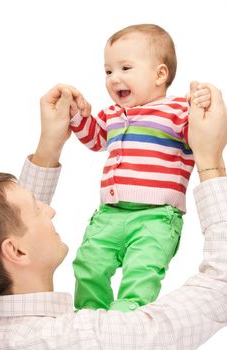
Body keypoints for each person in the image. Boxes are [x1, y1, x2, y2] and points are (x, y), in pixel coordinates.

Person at [0, 81, 227, 349]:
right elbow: (221, 287)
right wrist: (210, 160)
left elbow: (6, 224)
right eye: (37, 208)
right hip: (124, 213)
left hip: (148, 214)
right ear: (17, 252)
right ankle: (131, 304)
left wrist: (49, 145)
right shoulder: (98, 336)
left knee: (131, 266)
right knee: (95, 265)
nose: (50, 209)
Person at [69, 24, 212, 311]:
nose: (114, 79)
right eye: (108, 71)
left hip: (156, 216)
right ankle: (89, 317)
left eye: (125, 68)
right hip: (110, 213)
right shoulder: (111, 113)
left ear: (160, 74)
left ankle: (126, 321)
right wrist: (77, 116)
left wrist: (203, 105)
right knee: (88, 264)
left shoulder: (177, 111)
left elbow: (204, 135)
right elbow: (97, 140)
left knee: (142, 272)